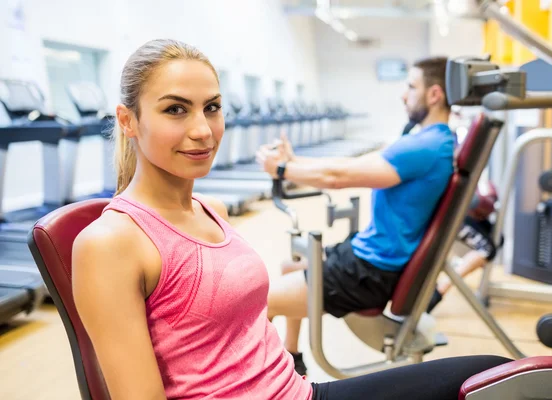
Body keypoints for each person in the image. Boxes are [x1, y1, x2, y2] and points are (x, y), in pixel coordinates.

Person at [72, 39, 511, 400]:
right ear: (128, 121)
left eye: (212, 107)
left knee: (502, 378)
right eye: (175, 109)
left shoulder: (212, 211)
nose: (203, 130)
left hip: (298, 390)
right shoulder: (110, 244)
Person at [256, 56, 497, 375]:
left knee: (258, 303)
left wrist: (284, 168)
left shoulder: (425, 146)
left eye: (411, 87)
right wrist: (296, 162)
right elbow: (350, 166)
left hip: (370, 270)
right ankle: (293, 355)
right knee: (290, 266)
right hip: (368, 256)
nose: (403, 95)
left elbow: (339, 178)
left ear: (434, 94)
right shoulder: (431, 141)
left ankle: (269, 384)